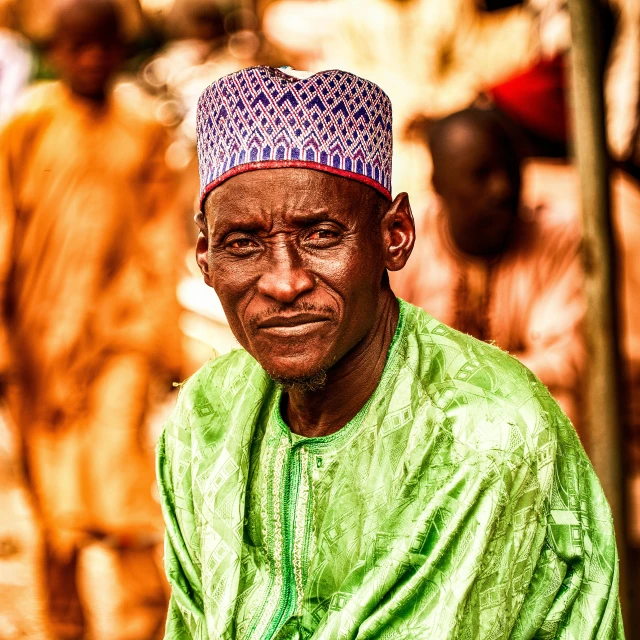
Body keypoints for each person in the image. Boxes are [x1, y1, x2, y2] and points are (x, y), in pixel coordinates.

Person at [157, 66, 622, 639]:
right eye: (243, 244)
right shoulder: (206, 416)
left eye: (321, 235)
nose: (283, 282)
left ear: (394, 235)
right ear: (204, 255)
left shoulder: (489, 433)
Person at [0, 1, 182, 637]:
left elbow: (164, 244)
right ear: (57, 51)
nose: (91, 59)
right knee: (54, 514)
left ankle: (146, 626)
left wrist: (158, 342)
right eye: (78, 47)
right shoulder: (25, 127)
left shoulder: (142, 130)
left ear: (118, 49)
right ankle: (64, 628)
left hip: (119, 345)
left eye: (103, 46)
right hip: (37, 351)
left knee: (124, 497)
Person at [391, 108, 586, 430]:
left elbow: (563, 361)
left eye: (512, 170)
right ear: (440, 186)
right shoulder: (403, 244)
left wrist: (462, 385)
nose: (503, 189)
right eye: (481, 175)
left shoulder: (556, 237)